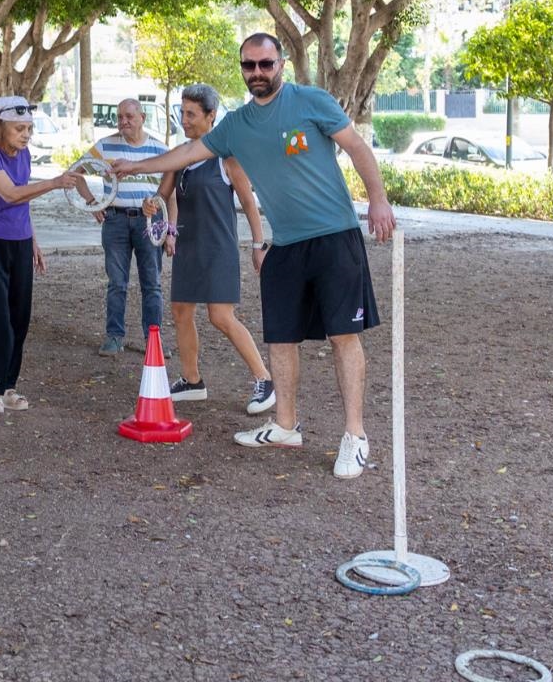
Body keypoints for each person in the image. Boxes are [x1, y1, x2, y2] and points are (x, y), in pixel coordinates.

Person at [112, 32, 396, 480]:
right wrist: (133, 166)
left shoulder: (312, 101)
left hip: (334, 237)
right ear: (242, 68)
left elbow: (358, 148)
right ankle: (285, 425)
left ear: (280, 63)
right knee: (280, 338)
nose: (258, 73)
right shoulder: (237, 126)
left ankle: (355, 436)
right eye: (250, 66)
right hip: (285, 244)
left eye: (266, 64)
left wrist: (377, 200)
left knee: (344, 336)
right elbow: (187, 152)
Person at [142, 84, 275, 414]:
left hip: (219, 249)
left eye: (191, 114)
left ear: (211, 116)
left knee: (221, 317)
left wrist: (259, 245)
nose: (184, 120)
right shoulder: (180, 156)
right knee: (181, 312)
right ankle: (192, 381)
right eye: (182, 113)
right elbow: (162, 195)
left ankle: (265, 380)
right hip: (187, 246)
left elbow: (249, 203)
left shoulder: (227, 158)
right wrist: (151, 206)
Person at [0, 96, 80, 414]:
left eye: (29, 129)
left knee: (20, 318)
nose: (26, 134)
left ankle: (8, 387)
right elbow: (10, 193)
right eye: (19, 128)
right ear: (0, 127)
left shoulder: (25, 154)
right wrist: (56, 182)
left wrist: (33, 240)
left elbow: (23, 202)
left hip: (19, 241)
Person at [79, 99, 168, 356]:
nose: (123, 121)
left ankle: (153, 340)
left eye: (129, 116)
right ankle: (114, 336)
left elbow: (170, 191)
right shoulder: (105, 146)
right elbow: (75, 173)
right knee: (117, 282)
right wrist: (91, 202)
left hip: (149, 221)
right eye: (119, 117)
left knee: (152, 282)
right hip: (115, 220)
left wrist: (169, 229)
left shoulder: (160, 149)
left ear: (142, 117)